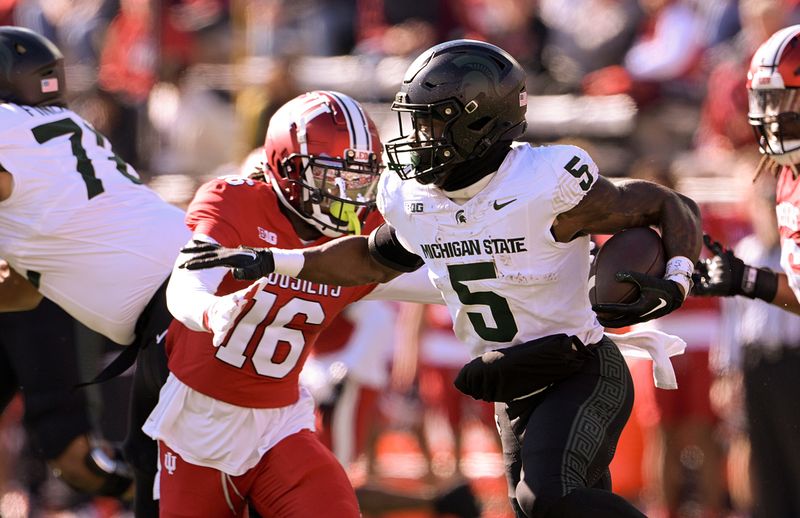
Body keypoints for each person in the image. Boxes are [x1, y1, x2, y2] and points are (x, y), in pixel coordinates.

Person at [180, 39, 703, 518]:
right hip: (513, 382)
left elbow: (663, 203)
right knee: (545, 509)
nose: (416, 137)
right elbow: (370, 258)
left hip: (579, 368)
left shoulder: (545, 184)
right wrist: (279, 261)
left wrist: (678, 275)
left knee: (545, 499)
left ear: (478, 124)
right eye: (416, 122)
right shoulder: (416, 199)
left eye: (432, 122)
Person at [143, 90, 443, 517]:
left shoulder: (362, 235)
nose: (348, 194)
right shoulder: (238, 202)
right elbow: (184, 288)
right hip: (199, 426)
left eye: (359, 178)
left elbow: (439, 281)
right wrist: (215, 311)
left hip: (281, 423)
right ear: (287, 167)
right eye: (333, 178)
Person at [0, 26, 190, 516]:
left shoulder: (7, 131)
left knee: (178, 479)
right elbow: (21, 290)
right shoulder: (69, 130)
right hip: (189, 283)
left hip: (168, 309)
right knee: (171, 472)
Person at [693, 24, 800, 314]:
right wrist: (747, 280)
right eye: (766, 100)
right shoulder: (789, 176)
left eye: (785, 100)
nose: (771, 115)